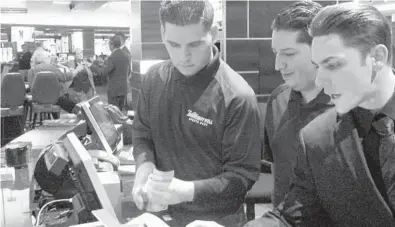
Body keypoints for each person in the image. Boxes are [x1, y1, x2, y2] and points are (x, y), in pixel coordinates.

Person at [245, 3, 395, 226]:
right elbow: (293, 216)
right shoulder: (316, 136)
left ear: (377, 57)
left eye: (333, 65)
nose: (319, 80)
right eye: (318, 66)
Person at [131, 1, 261, 227]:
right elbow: (143, 134)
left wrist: (187, 191)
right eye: (173, 44)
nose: (183, 56)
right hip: (160, 215)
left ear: (213, 33)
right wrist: (144, 168)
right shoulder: (153, 78)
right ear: (162, 33)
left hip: (217, 219)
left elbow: (241, 178)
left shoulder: (237, 96)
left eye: (194, 44)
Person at [263, 0, 332, 207]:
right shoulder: (277, 100)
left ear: (319, 49)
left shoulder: (348, 106)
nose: (278, 65)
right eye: (276, 53)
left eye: (289, 54)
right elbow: (278, 170)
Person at [93, 35, 130, 110]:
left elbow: (103, 72)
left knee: (113, 113)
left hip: (114, 90)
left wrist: (92, 66)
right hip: (124, 89)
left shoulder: (112, 57)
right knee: (120, 111)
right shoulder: (126, 55)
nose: (109, 47)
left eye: (109, 45)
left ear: (112, 45)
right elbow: (129, 71)